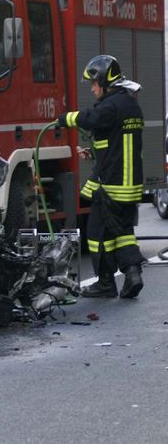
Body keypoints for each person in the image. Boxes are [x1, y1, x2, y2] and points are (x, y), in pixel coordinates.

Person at [57, 55, 145, 299]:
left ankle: (106, 283)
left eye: (94, 83)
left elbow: (90, 119)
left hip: (112, 185)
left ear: (105, 82)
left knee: (96, 233)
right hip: (130, 184)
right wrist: (94, 153)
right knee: (122, 230)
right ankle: (132, 272)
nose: (93, 88)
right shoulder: (130, 105)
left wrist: (65, 119)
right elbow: (116, 143)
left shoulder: (110, 106)